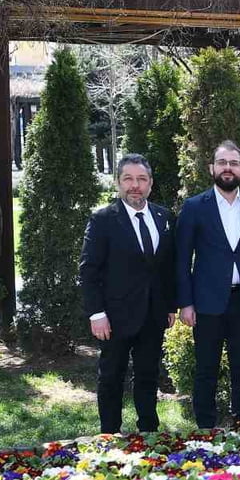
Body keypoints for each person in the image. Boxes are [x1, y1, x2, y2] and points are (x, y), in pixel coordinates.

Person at [176, 140, 240, 429]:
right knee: (206, 368)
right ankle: (206, 429)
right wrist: (185, 302)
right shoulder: (194, 207)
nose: (227, 168)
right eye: (222, 162)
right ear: (212, 168)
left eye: (233, 163)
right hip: (207, 302)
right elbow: (182, 259)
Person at [79, 154, 177, 434]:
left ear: (150, 183)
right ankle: (109, 435)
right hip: (114, 316)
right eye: (128, 179)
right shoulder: (103, 219)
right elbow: (89, 270)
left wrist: (170, 305)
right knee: (111, 377)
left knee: (148, 375)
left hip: (153, 315)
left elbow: (168, 266)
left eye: (141, 179)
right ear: (118, 183)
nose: (135, 185)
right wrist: (96, 314)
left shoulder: (164, 217)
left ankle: (148, 433)